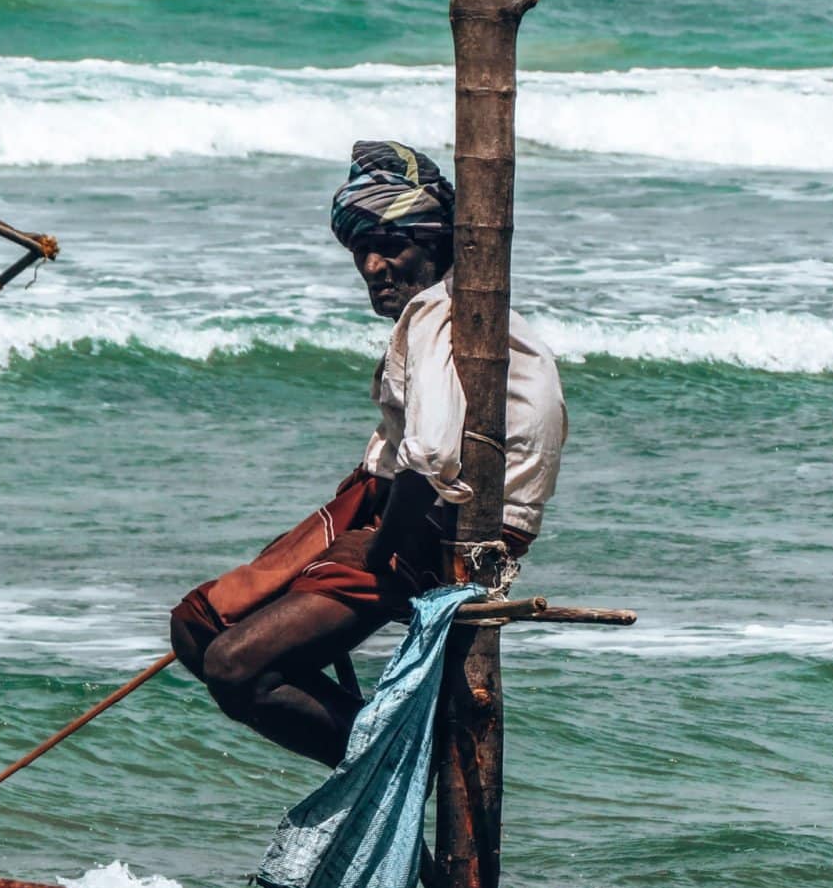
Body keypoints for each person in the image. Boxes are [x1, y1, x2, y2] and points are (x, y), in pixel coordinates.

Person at [169, 140, 566, 767]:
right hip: (395, 505)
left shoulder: (438, 316)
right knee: (196, 624)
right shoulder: (456, 312)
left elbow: (431, 455)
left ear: (434, 245)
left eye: (391, 247)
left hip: (438, 527)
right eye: (362, 251)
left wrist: (379, 550)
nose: (375, 266)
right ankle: (376, 740)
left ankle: (395, 761)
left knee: (230, 662)